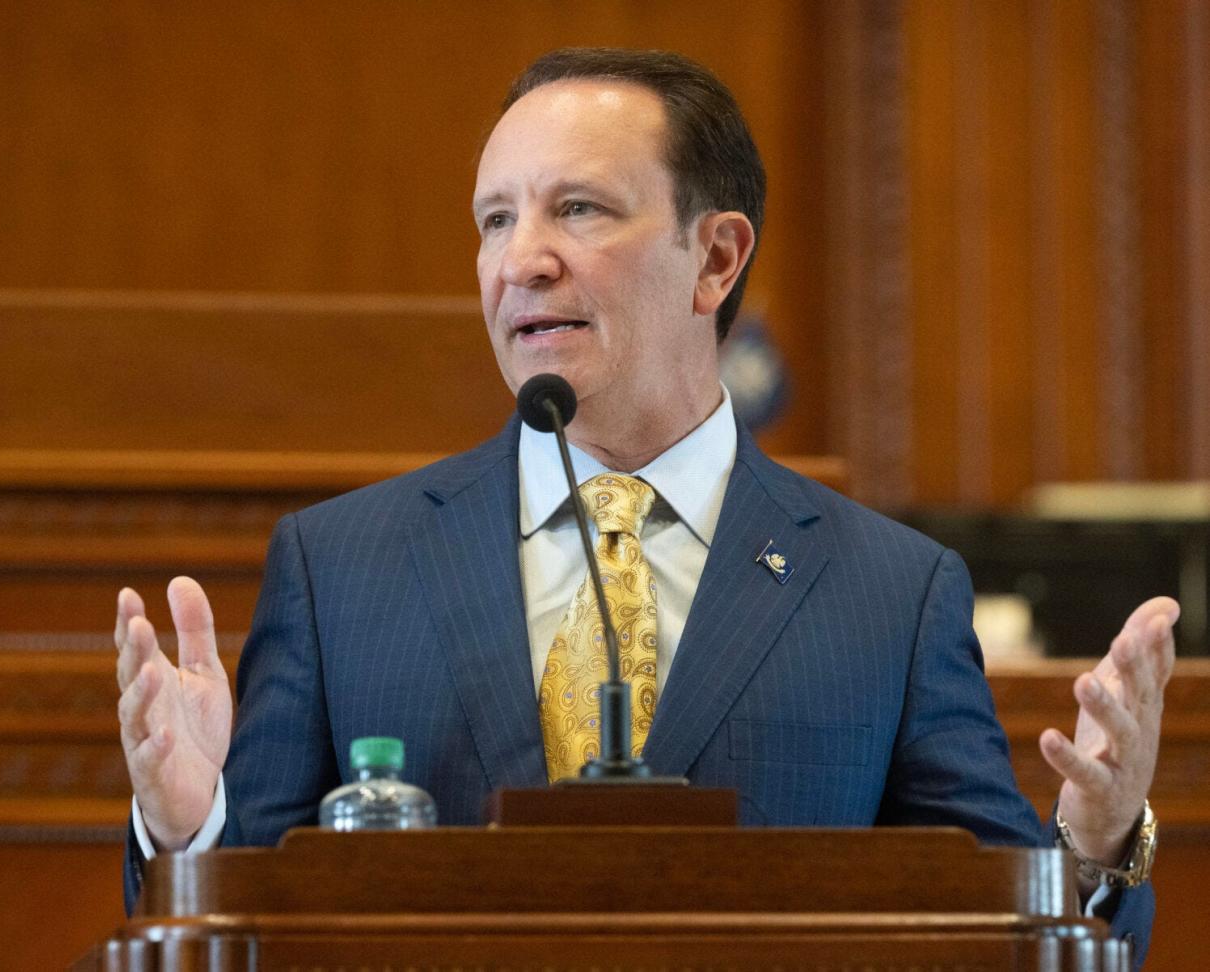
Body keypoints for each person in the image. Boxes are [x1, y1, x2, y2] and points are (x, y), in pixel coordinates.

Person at [115, 48, 1177, 962]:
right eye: (495, 219)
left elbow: (1012, 934)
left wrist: (1091, 849)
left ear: (715, 257)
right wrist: (193, 830)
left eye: (578, 208)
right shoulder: (341, 565)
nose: (519, 261)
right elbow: (239, 928)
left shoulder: (888, 592)